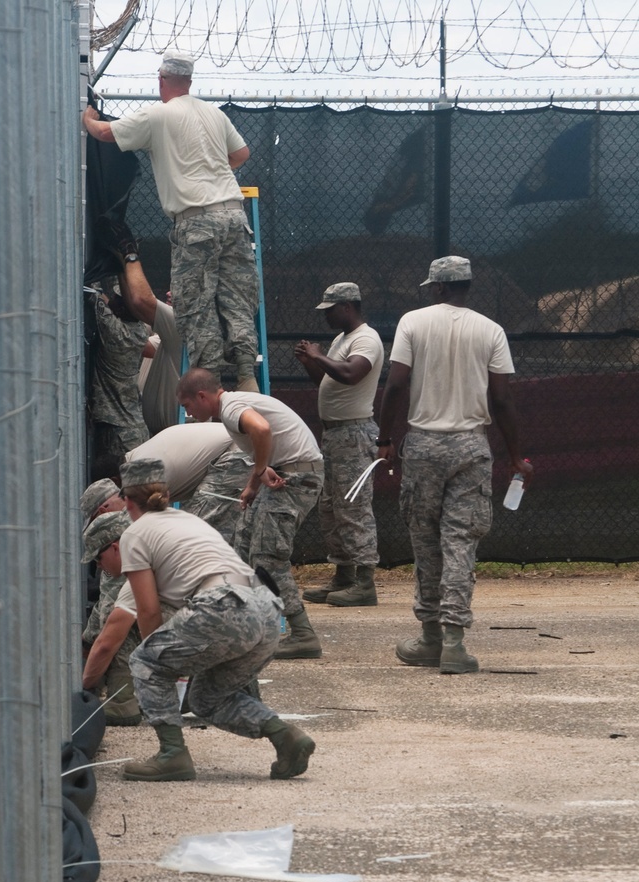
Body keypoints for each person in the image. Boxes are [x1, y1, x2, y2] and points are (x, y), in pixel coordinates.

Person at [111, 457, 316, 782]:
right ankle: (285, 737)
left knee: (146, 662)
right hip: (266, 609)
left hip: (224, 607)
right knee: (206, 698)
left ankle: (172, 755)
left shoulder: (134, 534)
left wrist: (163, 662)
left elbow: (148, 611)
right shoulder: (187, 519)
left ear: (126, 499)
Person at [377, 256, 532, 674]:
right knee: (460, 542)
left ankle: (428, 638)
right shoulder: (491, 330)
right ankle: (455, 643)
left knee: (426, 542)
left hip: (424, 445)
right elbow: (501, 400)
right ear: (466, 286)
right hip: (470, 446)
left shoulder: (413, 322)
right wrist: (516, 454)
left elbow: (395, 384)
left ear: (439, 288)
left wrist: (385, 439)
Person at [83, 53, 259, 389]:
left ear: (161, 79)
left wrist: (88, 118)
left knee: (197, 305)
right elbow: (240, 155)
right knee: (236, 297)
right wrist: (209, 167)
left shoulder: (157, 115)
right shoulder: (213, 114)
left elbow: (106, 133)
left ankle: (211, 390)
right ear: (189, 82)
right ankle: (248, 376)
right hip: (235, 216)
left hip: (196, 221)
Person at [175, 367, 324, 658]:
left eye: (187, 405)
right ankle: (244, 625)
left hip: (298, 478)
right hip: (288, 472)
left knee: (268, 557)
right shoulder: (232, 405)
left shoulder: (230, 408)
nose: (189, 413)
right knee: (243, 546)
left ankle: (303, 634)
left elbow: (262, 429)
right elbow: (269, 439)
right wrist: (259, 475)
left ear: (202, 396)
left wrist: (256, 475)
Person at [295, 282, 385, 607]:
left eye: (330, 310)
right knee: (331, 506)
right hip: (334, 434)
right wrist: (311, 363)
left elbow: (351, 374)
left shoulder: (366, 339)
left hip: (354, 433)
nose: (326, 317)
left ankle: (364, 582)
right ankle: (343, 575)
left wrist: (319, 356)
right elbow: (329, 381)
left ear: (347, 307)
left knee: (354, 505)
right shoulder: (341, 340)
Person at [123, 421, 251, 544]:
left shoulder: (142, 474)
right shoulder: (136, 459)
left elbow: (137, 524)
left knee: (193, 533)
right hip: (237, 447)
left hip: (236, 451)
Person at [80, 511, 145, 726]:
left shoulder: (142, 571)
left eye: (98, 557)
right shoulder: (147, 551)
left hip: (223, 628)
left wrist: (83, 691)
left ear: (116, 548)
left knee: (121, 632)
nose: (98, 566)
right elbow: (102, 612)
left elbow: (107, 641)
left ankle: (122, 703)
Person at [112, 246, 183, 437]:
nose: (168, 294)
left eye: (176, 291)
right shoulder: (169, 331)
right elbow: (137, 308)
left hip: (172, 435)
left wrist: (130, 255)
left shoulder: (181, 327)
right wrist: (120, 269)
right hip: (158, 433)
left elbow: (141, 302)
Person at [89, 280, 149, 464]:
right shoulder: (139, 330)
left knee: (115, 486)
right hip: (130, 427)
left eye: (117, 299)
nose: (112, 299)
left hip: (119, 431)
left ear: (123, 309)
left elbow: (95, 297)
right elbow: (107, 305)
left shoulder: (118, 333)